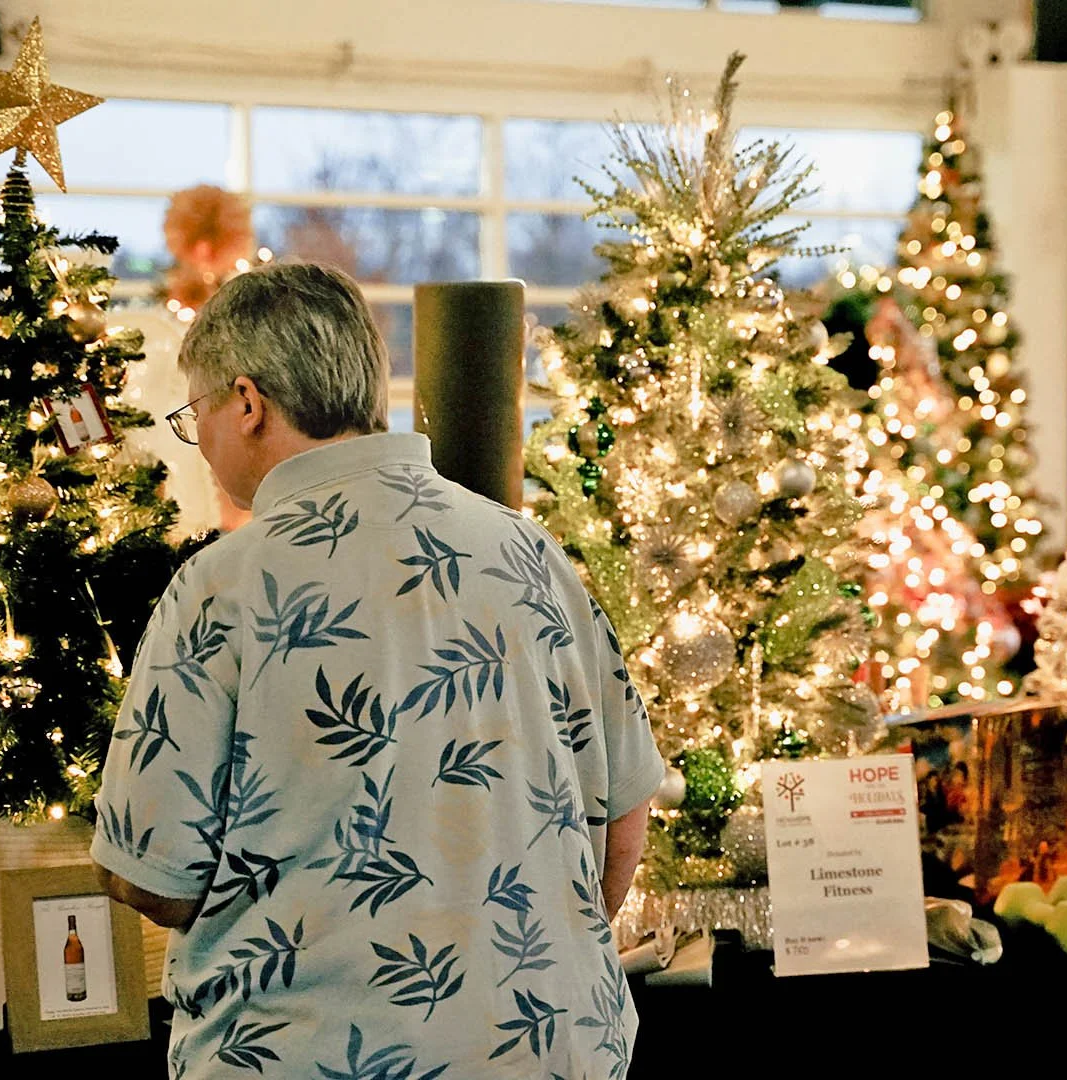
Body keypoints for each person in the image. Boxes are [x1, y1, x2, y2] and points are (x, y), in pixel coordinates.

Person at [90, 262, 663, 1079]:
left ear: (248, 404)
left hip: (311, 1053)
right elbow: (625, 808)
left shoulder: (223, 586)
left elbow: (153, 876)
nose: (203, 441)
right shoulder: (528, 552)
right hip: (552, 1047)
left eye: (197, 415)